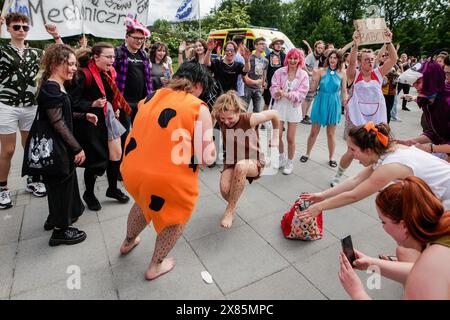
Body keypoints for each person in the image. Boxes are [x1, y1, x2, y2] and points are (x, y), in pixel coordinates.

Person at [119, 61, 216, 280]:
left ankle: (128, 241)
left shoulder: (151, 97)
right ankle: (156, 266)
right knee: (176, 218)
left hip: (134, 169)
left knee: (144, 204)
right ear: (199, 86)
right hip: (168, 178)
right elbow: (207, 158)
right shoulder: (197, 107)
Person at [300, 122, 450, 261]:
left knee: (434, 243)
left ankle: (418, 270)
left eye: (353, 150)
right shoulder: (389, 151)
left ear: (368, 150)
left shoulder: (389, 166)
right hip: (438, 194)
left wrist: (319, 208)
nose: (351, 154)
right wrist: (321, 196)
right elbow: (355, 180)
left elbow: (354, 195)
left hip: (446, 196)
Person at [339, 176, 450, 300]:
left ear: (404, 226)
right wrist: (370, 263)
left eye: (383, 222)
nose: (383, 227)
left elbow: (423, 274)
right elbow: (415, 271)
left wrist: (357, 292)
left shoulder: (430, 265)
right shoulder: (443, 229)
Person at [36, 44, 97, 246]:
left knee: (62, 184)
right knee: (60, 187)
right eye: (69, 64)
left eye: (74, 64)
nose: (73, 68)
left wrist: (83, 114)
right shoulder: (51, 87)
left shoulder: (56, 84)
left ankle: (56, 218)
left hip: (60, 145)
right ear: (55, 64)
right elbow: (57, 122)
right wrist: (77, 148)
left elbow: (63, 114)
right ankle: (60, 231)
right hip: (57, 148)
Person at [0, 13, 62, 209]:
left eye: (25, 27)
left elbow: (61, 57)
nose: (21, 30)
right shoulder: (2, 50)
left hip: (30, 105)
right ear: (8, 29)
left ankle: (33, 180)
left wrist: (56, 36)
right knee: (8, 150)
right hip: (7, 104)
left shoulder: (36, 53)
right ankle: (2, 188)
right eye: (16, 27)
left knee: (30, 148)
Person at [330, 28, 398, 187]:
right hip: (356, 117)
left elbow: (393, 59)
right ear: (361, 62)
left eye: (372, 59)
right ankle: (338, 175)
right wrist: (356, 44)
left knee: (378, 150)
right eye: (366, 59)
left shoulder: (378, 73)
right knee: (351, 151)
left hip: (376, 118)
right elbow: (352, 61)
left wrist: (389, 41)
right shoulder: (354, 74)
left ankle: (376, 179)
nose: (370, 61)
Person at [70, 42, 130, 211]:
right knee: (96, 162)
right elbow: (73, 102)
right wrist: (92, 103)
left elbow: (111, 94)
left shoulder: (110, 72)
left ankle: (112, 189)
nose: (112, 60)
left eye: (113, 57)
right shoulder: (84, 74)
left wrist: (114, 107)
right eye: (108, 57)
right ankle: (88, 193)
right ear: (96, 57)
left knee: (116, 156)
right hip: (92, 123)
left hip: (109, 117)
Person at [213, 90, 280, 228]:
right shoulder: (219, 116)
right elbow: (211, 120)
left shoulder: (250, 118)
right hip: (232, 161)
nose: (226, 122)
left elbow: (275, 114)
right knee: (225, 191)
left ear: (238, 112)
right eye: (223, 119)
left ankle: (230, 211)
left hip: (253, 161)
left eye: (230, 119)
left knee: (241, 166)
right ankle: (233, 204)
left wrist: (275, 137)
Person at [396, 60, 450, 161]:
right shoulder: (426, 100)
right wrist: (409, 142)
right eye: (414, 82)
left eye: (418, 82)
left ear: (432, 81)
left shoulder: (446, 101)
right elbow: (436, 132)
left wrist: (431, 148)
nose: (414, 86)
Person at [301, 50, 347, 168]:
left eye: (335, 58)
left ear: (339, 60)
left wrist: (346, 104)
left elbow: (344, 91)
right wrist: (313, 78)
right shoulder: (321, 71)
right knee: (314, 132)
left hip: (334, 103)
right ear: (328, 59)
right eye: (331, 57)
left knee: (331, 134)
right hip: (321, 101)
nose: (332, 60)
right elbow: (312, 89)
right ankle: (307, 153)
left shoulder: (342, 73)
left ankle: (331, 157)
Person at [270, 48, 309, 175]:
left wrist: (286, 94)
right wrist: (277, 92)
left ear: (299, 60)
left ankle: (290, 161)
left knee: (290, 138)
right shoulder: (279, 72)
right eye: (290, 58)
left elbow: (301, 94)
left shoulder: (303, 75)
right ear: (287, 59)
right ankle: (282, 157)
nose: (292, 61)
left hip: (293, 108)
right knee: (278, 135)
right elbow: (273, 87)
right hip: (280, 106)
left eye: (295, 58)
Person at [301, 40, 325, 125]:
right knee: (307, 97)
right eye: (318, 47)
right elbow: (303, 65)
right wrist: (308, 72)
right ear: (315, 48)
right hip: (309, 78)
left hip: (315, 79)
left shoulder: (321, 57)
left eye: (321, 48)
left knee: (310, 98)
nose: (320, 49)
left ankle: (306, 114)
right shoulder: (311, 56)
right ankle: (302, 116)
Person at [243, 37, 269, 113]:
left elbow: (264, 73)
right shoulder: (249, 58)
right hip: (247, 88)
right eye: (261, 44)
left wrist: (263, 85)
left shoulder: (265, 60)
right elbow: (245, 73)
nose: (263, 46)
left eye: (264, 44)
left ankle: (255, 125)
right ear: (255, 46)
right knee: (244, 109)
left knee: (257, 111)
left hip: (258, 89)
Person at [263, 38, 286, 112]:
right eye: (277, 44)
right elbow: (264, 70)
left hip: (281, 84)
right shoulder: (268, 57)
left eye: (280, 44)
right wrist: (264, 81)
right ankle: (263, 121)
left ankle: (273, 121)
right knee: (267, 103)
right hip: (270, 83)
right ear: (273, 46)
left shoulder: (285, 56)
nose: (279, 45)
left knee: (277, 103)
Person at [380, 52, 401, 123]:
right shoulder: (380, 65)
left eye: (388, 56)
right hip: (381, 92)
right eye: (384, 56)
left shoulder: (395, 66)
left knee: (388, 110)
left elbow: (399, 74)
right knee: (381, 110)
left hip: (391, 92)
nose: (386, 57)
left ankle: (386, 126)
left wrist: (394, 74)